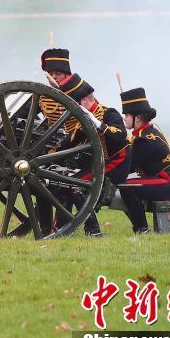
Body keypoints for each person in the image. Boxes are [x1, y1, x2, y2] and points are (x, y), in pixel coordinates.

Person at [52, 74, 131, 237]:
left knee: (76, 184)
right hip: (102, 164)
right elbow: (69, 142)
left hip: (118, 162)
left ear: (85, 101)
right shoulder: (84, 120)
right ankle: (61, 227)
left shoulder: (109, 113)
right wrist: (50, 153)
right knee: (66, 182)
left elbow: (120, 135)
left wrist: (97, 123)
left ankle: (93, 229)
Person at [119, 87, 170, 234]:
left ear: (137, 118)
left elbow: (127, 168)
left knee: (127, 187)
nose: (124, 118)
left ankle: (142, 229)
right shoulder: (148, 133)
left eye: (126, 115)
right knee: (129, 186)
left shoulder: (143, 140)